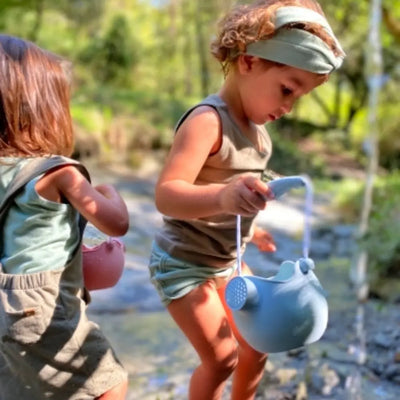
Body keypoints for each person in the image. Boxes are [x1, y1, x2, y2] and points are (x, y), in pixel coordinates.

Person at [149, 1, 345, 399]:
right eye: (287, 89)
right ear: (250, 62)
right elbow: (167, 196)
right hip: (183, 263)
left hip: (226, 261)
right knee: (222, 357)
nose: (288, 107)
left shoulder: (260, 138)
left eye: (298, 97)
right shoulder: (208, 121)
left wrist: (253, 231)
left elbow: (237, 202)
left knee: (257, 344)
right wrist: (223, 196)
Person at [0, 35, 129, 400]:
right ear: (43, 109)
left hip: (3, 308)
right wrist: (110, 194)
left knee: (26, 390)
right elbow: (116, 224)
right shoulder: (60, 173)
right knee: (109, 383)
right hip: (41, 307)